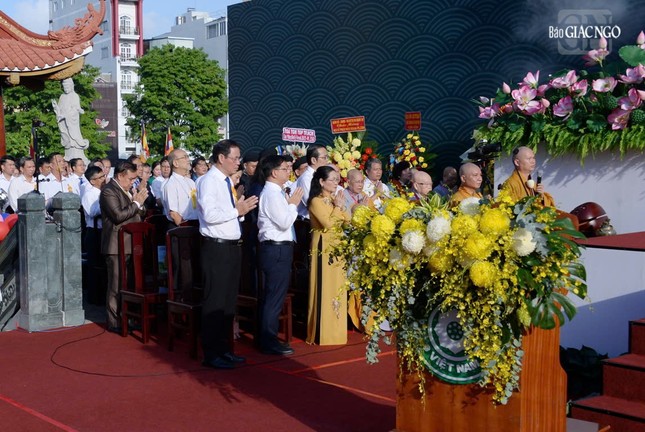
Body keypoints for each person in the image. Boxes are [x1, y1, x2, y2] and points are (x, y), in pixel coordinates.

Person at [197, 139, 258, 369]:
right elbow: (210, 215)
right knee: (215, 300)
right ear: (221, 158)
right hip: (217, 247)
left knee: (229, 302)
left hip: (232, 246)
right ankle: (211, 353)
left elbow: (228, 213)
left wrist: (240, 211)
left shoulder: (225, 182)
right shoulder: (208, 181)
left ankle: (225, 349)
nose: (238, 162)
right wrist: (237, 210)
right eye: (235, 158)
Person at [256, 155, 304, 355]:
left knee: (274, 295)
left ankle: (266, 337)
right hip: (275, 248)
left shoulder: (277, 192)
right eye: (285, 168)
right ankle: (268, 340)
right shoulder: (272, 194)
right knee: (274, 296)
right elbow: (284, 222)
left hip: (278, 247)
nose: (288, 171)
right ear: (274, 172)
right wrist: (293, 204)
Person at [99, 161, 148, 333]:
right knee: (116, 284)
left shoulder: (127, 190)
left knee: (129, 284)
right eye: (131, 178)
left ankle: (128, 317)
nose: (133, 182)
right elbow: (118, 215)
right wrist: (136, 203)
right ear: (120, 175)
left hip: (132, 243)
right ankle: (114, 321)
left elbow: (140, 212)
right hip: (115, 244)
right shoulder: (109, 191)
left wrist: (139, 202)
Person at [307, 166, 350, 345]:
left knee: (338, 286)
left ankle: (337, 330)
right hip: (323, 247)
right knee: (325, 286)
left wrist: (340, 207)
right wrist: (337, 208)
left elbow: (347, 220)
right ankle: (322, 332)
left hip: (337, 246)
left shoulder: (333, 199)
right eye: (332, 179)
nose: (335, 183)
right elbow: (328, 224)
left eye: (337, 179)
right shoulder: (315, 201)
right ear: (321, 181)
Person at [81, 165, 105, 304]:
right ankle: (95, 297)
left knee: (102, 264)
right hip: (94, 231)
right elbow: (92, 212)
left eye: (103, 176)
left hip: (103, 231)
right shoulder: (89, 194)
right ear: (92, 181)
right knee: (95, 265)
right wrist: (106, 203)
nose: (103, 179)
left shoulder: (103, 191)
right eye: (100, 177)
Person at [51, 78, 89, 160]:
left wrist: (65, 115)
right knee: (66, 137)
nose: (66, 89)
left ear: (71, 86)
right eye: (64, 87)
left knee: (74, 137)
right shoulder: (62, 96)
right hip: (64, 122)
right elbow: (59, 111)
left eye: (67, 87)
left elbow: (75, 110)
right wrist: (56, 107)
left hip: (71, 121)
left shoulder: (75, 96)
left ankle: (76, 148)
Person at [162, 149, 198, 226]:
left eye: (188, 157)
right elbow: (174, 214)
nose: (188, 160)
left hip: (195, 223)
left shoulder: (190, 182)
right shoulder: (171, 184)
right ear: (176, 163)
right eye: (184, 157)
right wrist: (184, 227)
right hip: (181, 227)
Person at [295, 144, 329, 220]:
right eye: (324, 158)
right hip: (309, 221)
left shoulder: (320, 175)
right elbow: (310, 203)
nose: (327, 161)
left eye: (327, 157)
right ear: (313, 160)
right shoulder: (306, 179)